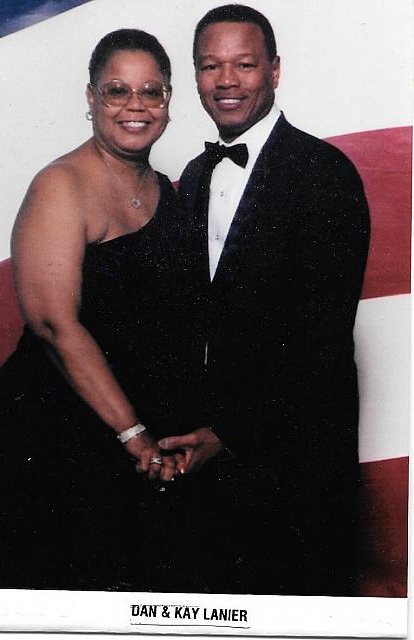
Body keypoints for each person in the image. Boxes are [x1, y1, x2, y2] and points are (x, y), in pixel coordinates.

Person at [159, 4, 370, 596]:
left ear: (275, 70)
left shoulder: (326, 172)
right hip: (208, 464)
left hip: (297, 466)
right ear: (195, 76)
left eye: (245, 64)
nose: (226, 81)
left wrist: (228, 433)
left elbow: (321, 338)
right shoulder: (195, 175)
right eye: (210, 66)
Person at [0, 28, 195, 592]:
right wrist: (134, 435)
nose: (135, 106)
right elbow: (54, 325)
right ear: (92, 98)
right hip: (57, 429)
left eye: (151, 91)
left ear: (169, 100)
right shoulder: (61, 185)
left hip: (136, 426)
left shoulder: (167, 189)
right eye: (117, 90)